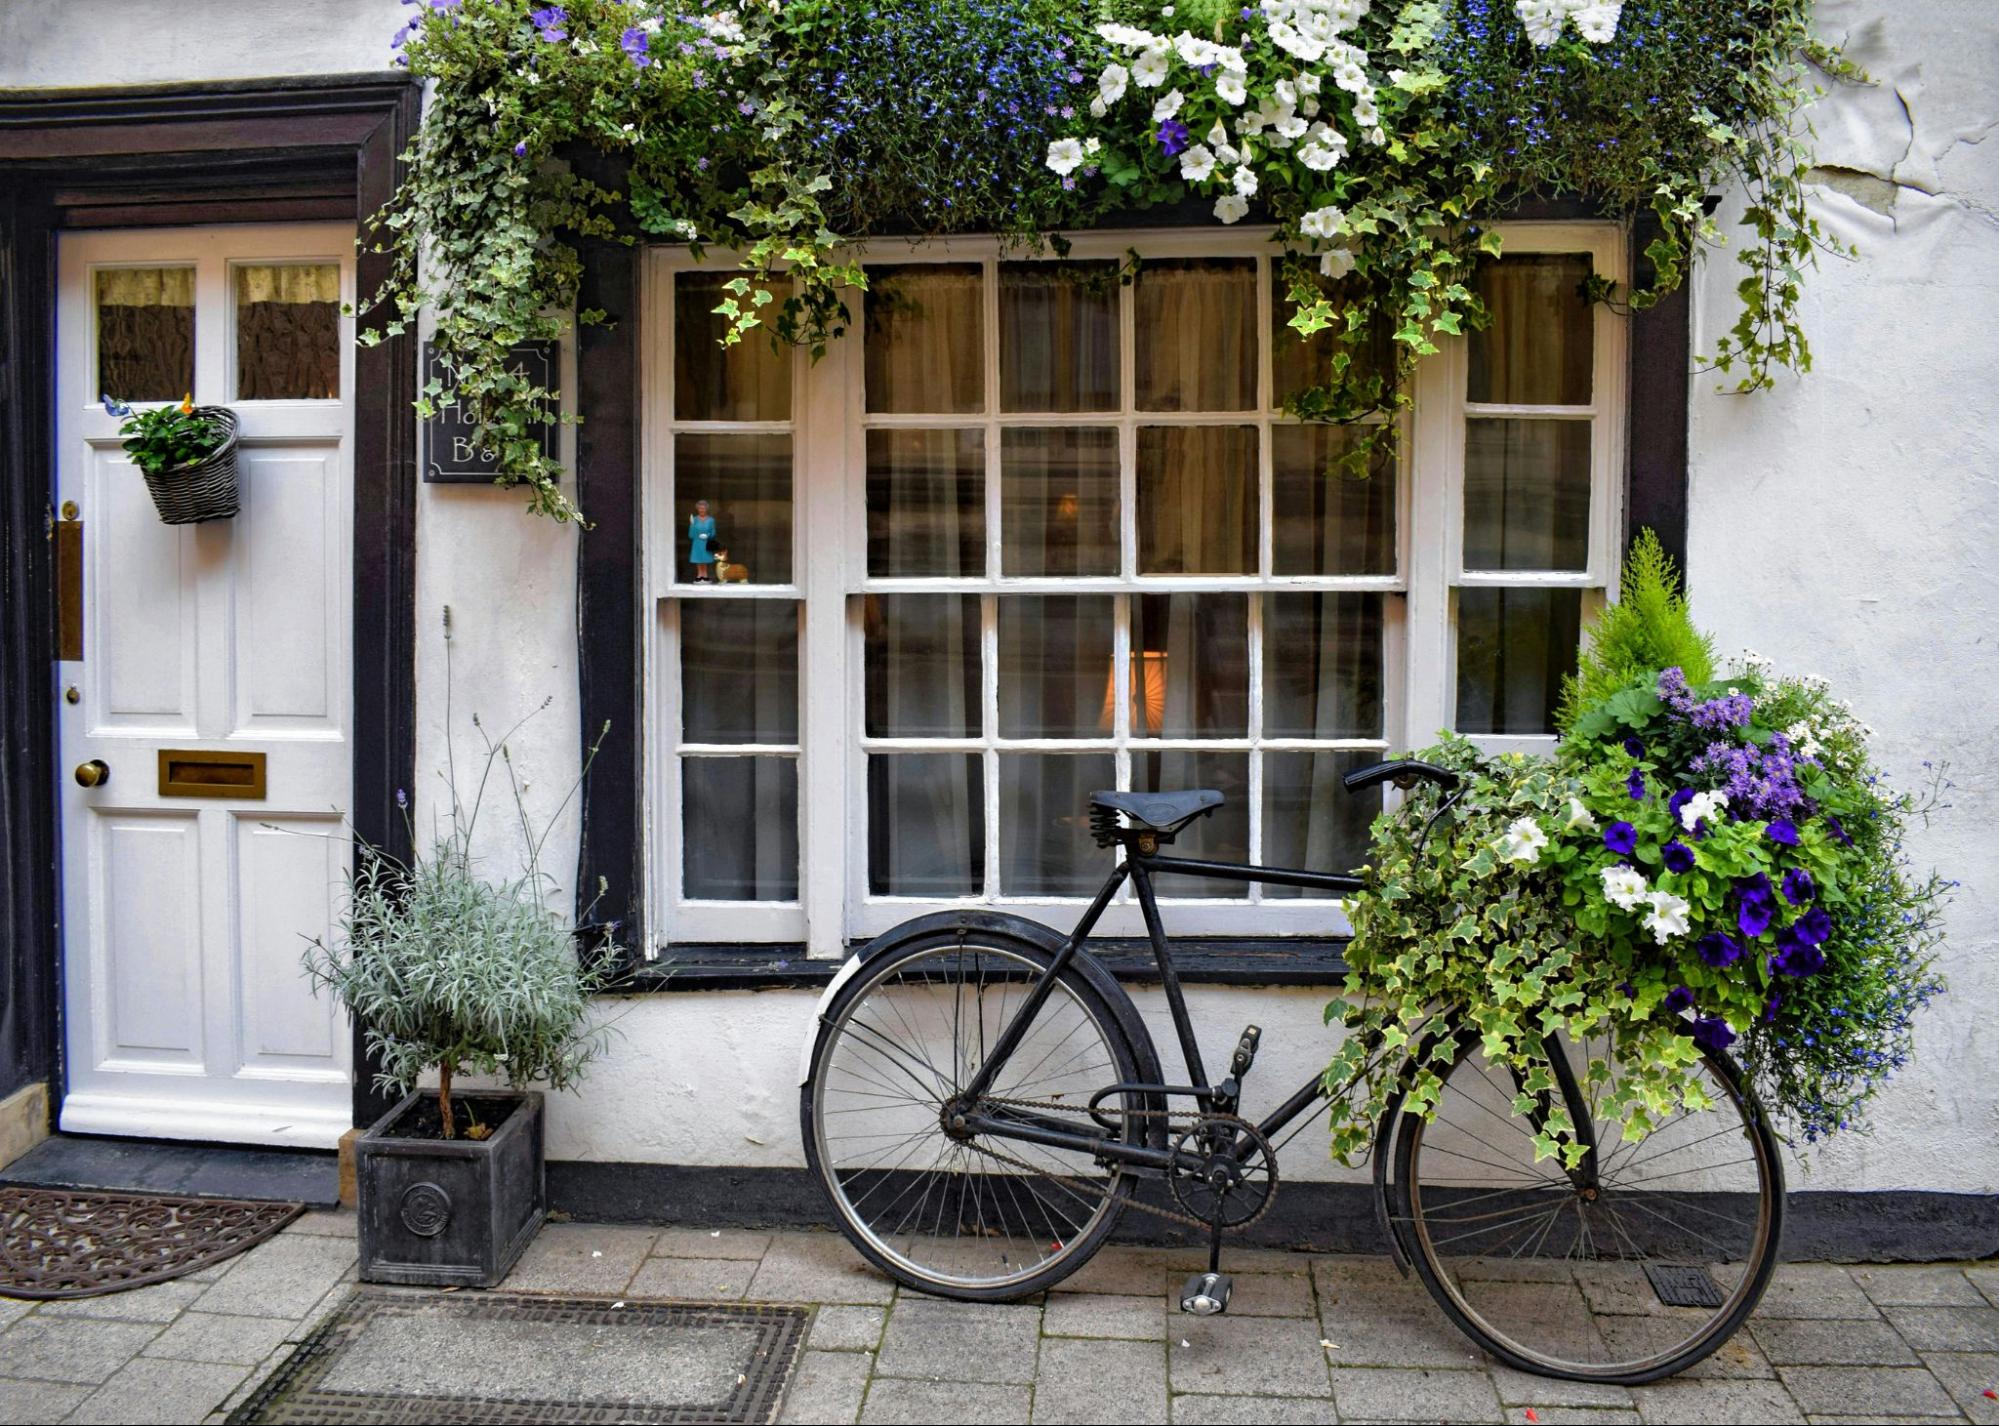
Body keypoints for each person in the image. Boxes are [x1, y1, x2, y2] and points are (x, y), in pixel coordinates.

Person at [687, 500, 718, 582]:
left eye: (703, 508)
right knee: (698, 559)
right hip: (697, 542)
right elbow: (690, 535)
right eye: (700, 508)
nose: (702, 510)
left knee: (705, 559)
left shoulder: (711, 520)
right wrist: (692, 525)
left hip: (706, 542)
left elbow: (713, 532)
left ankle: (705, 575)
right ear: (697, 509)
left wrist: (707, 535)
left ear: (706, 509)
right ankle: (699, 575)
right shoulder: (694, 519)